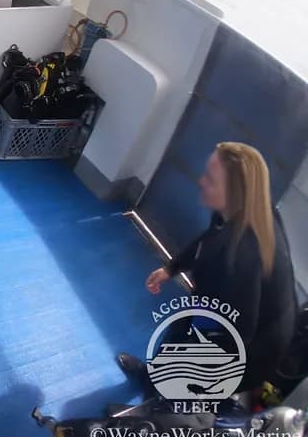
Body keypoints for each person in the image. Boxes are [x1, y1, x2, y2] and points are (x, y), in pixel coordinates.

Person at [116, 142, 296, 402]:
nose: (201, 181)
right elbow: (208, 240)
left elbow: (236, 333)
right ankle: (153, 379)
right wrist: (172, 268)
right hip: (229, 315)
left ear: (235, 193)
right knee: (177, 334)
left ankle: (152, 409)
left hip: (251, 351)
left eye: (211, 180)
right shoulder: (241, 210)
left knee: (182, 363)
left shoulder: (241, 258)